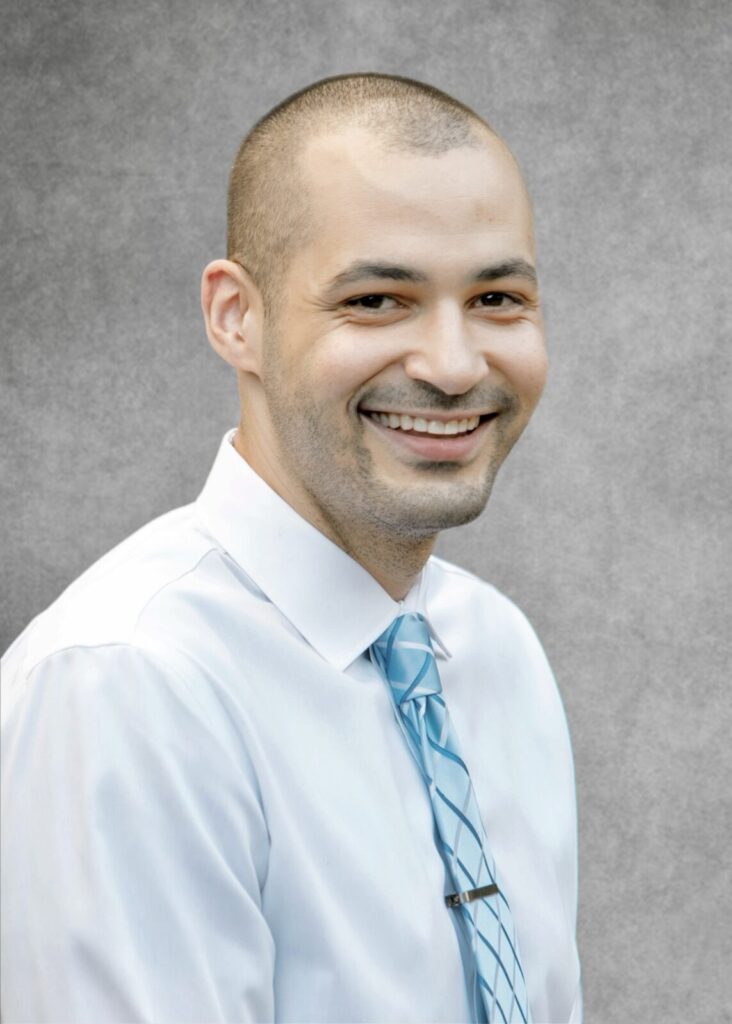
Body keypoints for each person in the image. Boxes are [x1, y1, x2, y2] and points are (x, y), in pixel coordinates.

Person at [1, 73, 581, 1023]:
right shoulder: (128, 687)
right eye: (378, 300)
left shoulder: (497, 648)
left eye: (497, 297)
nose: (453, 364)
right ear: (237, 316)